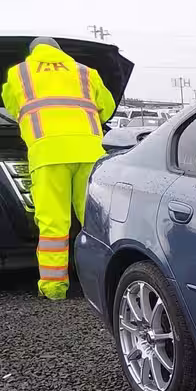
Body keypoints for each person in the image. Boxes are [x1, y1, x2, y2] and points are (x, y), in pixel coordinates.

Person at [2, 37, 116, 299]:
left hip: (48, 154)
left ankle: (54, 289)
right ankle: (102, 284)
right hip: (89, 152)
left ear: (33, 52)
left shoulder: (19, 72)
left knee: (54, 224)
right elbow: (106, 108)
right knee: (94, 220)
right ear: (60, 52)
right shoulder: (86, 72)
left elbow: (11, 106)